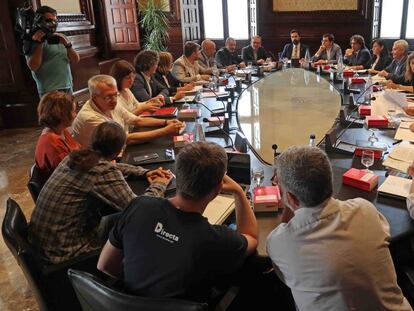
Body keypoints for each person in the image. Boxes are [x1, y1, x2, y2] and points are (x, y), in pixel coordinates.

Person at [97, 142, 258, 302]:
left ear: (177, 174)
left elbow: (104, 265)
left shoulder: (139, 206)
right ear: (218, 188)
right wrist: (238, 192)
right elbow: (251, 236)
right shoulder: (216, 239)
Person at [267, 146, 412, 311]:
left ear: (290, 197)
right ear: (330, 182)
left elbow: (286, 276)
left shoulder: (279, 242)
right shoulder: (365, 210)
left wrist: (288, 202)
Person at [29, 121, 172, 264]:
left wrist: (143, 172)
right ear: (119, 151)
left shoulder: (72, 157)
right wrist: (159, 184)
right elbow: (140, 210)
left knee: (116, 218)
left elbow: (107, 165)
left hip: (44, 245)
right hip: (67, 254)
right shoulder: (101, 171)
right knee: (141, 226)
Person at [72, 75, 183, 147]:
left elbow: (136, 120)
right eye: (108, 97)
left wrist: (166, 122)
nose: (114, 100)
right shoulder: (89, 117)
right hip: (98, 163)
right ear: (94, 97)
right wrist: (165, 131)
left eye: (115, 95)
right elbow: (125, 139)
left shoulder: (111, 104)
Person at [26, 6, 80, 97]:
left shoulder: (61, 37)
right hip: (49, 90)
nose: (52, 24)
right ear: (39, 21)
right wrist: (40, 43)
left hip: (67, 86)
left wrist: (67, 44)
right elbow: (33, 66)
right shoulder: (33, 40)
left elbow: (76, 59)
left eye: (54, 20)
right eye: (48, 21)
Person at [35, 91, 80, 179]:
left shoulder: (61, 131)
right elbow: (68, 174)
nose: (76, 115)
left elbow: (79, 151)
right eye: (74, 111)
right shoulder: (53, 143)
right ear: (62, 114)